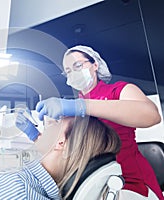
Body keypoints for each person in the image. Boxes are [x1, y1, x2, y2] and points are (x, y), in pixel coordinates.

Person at [33, 45, 163, 199]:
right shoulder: (71, 108)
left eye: (78, 66)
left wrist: (81, 106)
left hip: (129, 178)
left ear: (95, 65)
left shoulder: (118, 90)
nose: (73, 73)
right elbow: (61, 145)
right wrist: (32, 134)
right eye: (68, 71)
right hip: (91, 179)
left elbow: (151, 116)